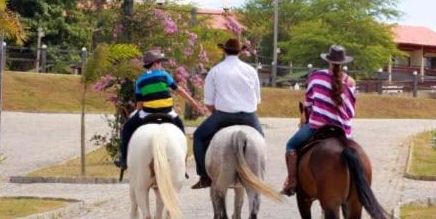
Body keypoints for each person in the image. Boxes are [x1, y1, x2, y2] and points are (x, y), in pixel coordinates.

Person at [280, 44, 356, 196]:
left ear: (328, 60)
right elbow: (351, 112)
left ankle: (292, 181)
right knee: (354, 154)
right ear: (343, 63)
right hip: (342, 131)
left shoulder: (316, 77)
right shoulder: (350, 82)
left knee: (291, 145)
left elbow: (308, 105)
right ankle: (354, 188)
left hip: (317, 126)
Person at [116, 49, 205, 171]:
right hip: (168, 113)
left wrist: (137, 112)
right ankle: (182, 160)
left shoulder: (140, 80)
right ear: (155, 63)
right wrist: (194, 103)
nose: (162, 65)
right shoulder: (165, 75)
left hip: (147, 113)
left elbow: (140, 103)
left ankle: (124, 159)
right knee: (180, 129)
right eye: (160, 62)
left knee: (127, 128)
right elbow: (179, 90)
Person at [191, 38, 263, 189]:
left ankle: (204, 176)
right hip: (249, 116)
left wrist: (217, 113)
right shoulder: (251, 70)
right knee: (261, 142)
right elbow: (257, 100)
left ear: (224, 50)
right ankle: (260, 175)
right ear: (240, 52)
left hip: (223, 116)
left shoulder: (215, 70)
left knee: (198, 136)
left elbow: (209, 102)